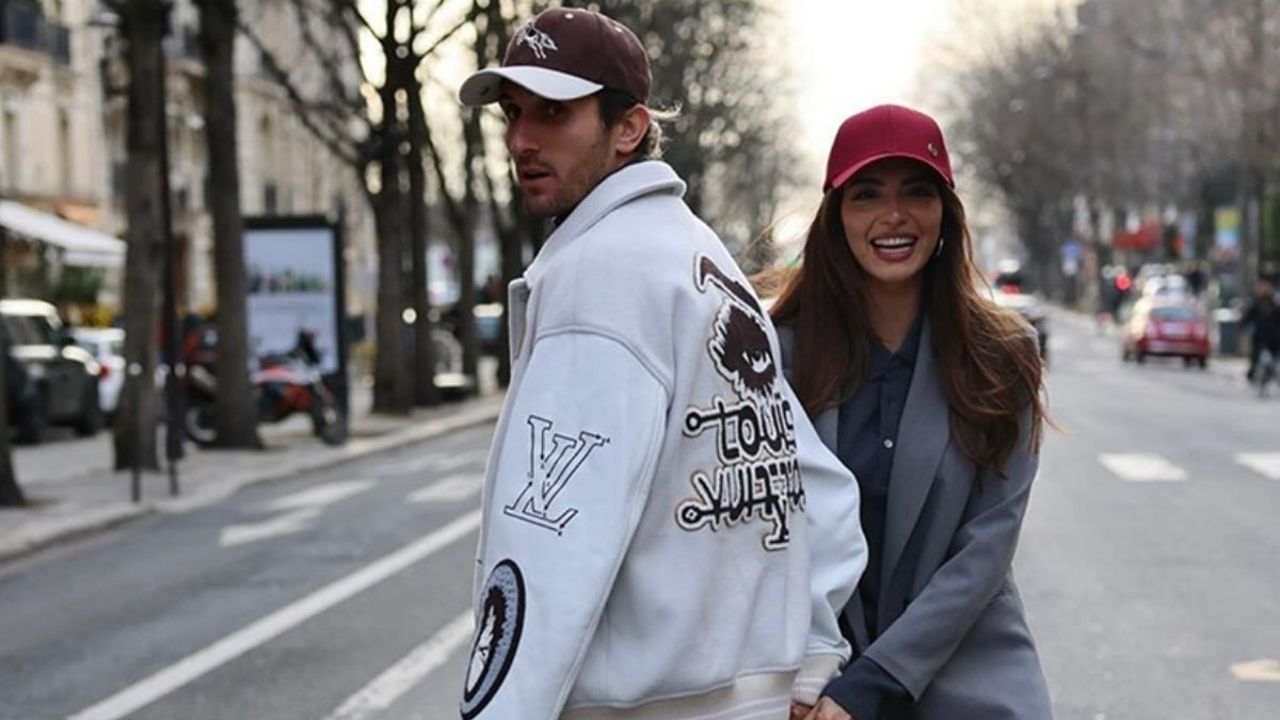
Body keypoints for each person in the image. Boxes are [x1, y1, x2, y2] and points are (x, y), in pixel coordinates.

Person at [455, 8, 866, 720]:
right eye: (514, 113)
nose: (522, 139)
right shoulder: (703, 262)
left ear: (628, 127)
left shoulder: (598, 276)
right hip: (752, 696)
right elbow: (817, 486)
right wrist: (814, 660)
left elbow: (551, 540)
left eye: (554, 112)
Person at [770, 105, 1052, 720]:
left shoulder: (1004, 355)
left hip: (964, 665)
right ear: (836, 214)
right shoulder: (775, 352)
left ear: (944, 213)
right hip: (810, 669)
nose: (893, 216)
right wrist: (815, 674)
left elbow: (986, 547)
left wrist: (871, 685)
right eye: (867, 194)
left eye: (917, 193)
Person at [1243, 279, 1280, 382]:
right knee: (1255, 356)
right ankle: (1253, 373)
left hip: (1272, 337)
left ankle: (1271, 374)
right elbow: (1247, 317)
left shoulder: (1274, 304)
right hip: (1259, 336)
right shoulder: (1257, 304)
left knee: (1273, 359)